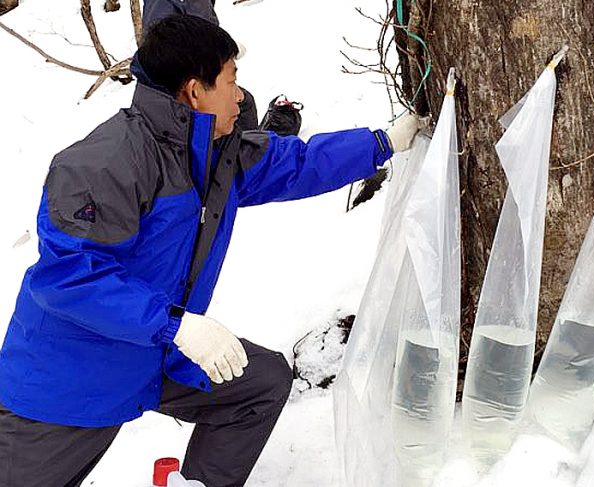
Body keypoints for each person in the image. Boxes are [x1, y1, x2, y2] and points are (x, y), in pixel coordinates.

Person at [0, 15, 421, 487]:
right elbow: (69, 279)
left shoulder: (216, 152)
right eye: (231, 80)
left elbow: (296, 163)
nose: (240, 95)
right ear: (195, 91)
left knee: (259, 384)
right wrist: (175, 326)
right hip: (71, 380)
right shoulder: (105, 162)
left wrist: (383, 142)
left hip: (157, 351)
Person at [140, 0, 261, 130]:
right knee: (242, 106)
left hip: (164, 80)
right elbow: (202, 36)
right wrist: (223, 52)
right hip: (178, 79)